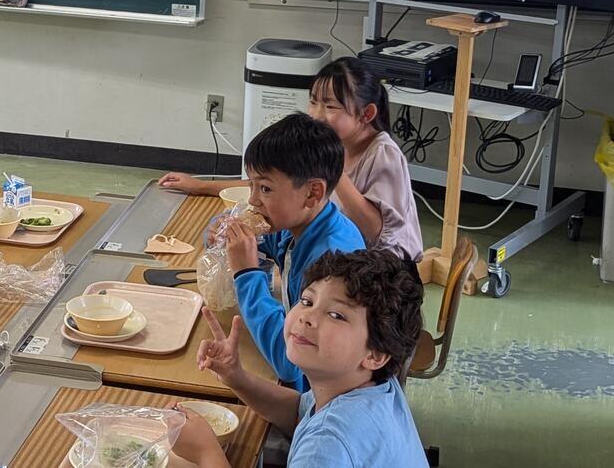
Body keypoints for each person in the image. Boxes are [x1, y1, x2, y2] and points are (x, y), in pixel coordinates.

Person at [171, 249, 428, 467]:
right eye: (307, 301)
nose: (307, 317)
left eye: (336, 315)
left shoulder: (326, 445)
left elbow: (323, 438)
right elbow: (299, 412)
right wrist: (237, 378)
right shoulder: (373, 387)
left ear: (376, 355)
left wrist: (206, 451)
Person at [158, 57, 422, 261]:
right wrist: (202, 186)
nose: (317, 115)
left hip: (383, 268)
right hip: (335, 252)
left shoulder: (382, 154)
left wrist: (335, 171)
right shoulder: (332, 143)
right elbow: (274, 181)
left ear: (366, 114)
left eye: (331, 106)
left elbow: (376, 232)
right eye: (313, 102)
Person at [226, 113, 364, 391]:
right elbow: (263, 242)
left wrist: (247, 274)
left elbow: (288, 362)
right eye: (251, 185)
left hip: (317, 394)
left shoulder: (330, 262)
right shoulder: (300, 225)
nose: (253, 200)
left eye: (265, 188)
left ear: (312, 193)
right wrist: (224, 229)